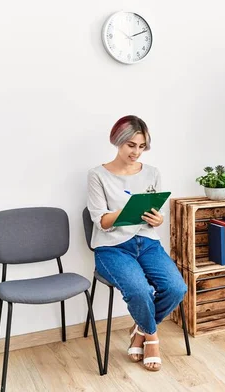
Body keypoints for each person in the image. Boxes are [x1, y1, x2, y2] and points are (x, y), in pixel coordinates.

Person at [87, 115, 187, 372]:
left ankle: (141, 328)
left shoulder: (152, 173)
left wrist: (157, 218)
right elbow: (101, 221)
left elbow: (156, 218)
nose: (136, 152)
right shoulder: (97, 175)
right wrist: (127, 210)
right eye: (131, 145)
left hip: (147, 242)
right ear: (117, 141)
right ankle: (152, 338)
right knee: (140, 291)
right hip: (112, 247)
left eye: (141, 147)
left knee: (176, 288)